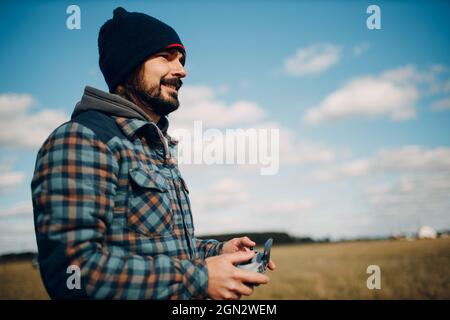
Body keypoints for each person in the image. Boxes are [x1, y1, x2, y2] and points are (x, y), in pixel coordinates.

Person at [31, 7, 275, 300]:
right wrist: (198, 279)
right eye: (165, 57)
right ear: (127, 65)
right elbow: (72, 273)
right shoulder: (82, 139)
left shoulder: (152, 147)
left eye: (182, 60)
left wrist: (217, 251)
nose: (182, 70)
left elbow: (163, 245)